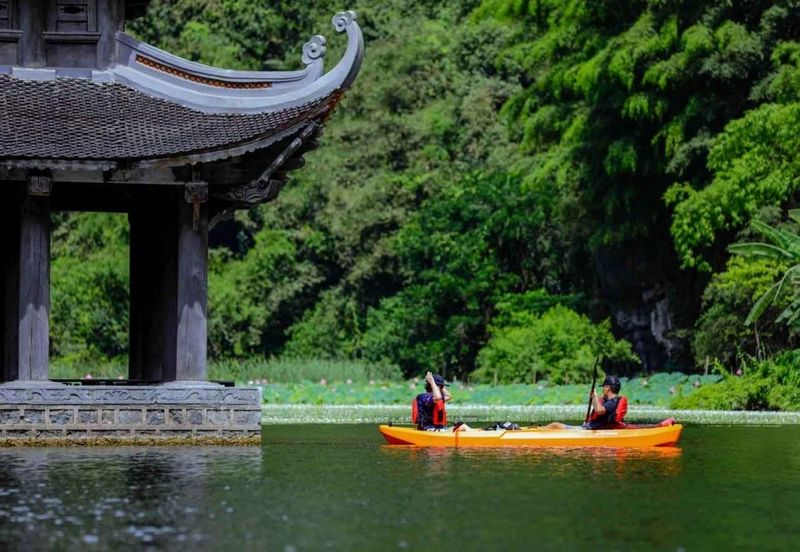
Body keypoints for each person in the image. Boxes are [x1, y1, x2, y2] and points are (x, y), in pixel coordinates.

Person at [543, 375, 624, 430]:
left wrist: (595, 396)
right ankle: (537, 430)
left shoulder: (612, 403)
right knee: (555, 425)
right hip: (590, 427)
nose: (603, 389)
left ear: (608, 388)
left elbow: (599, 410)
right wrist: (594, 398)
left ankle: (535, 434)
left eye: (603, 387)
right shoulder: (611, 401)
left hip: (590, 430)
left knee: (555, 425)